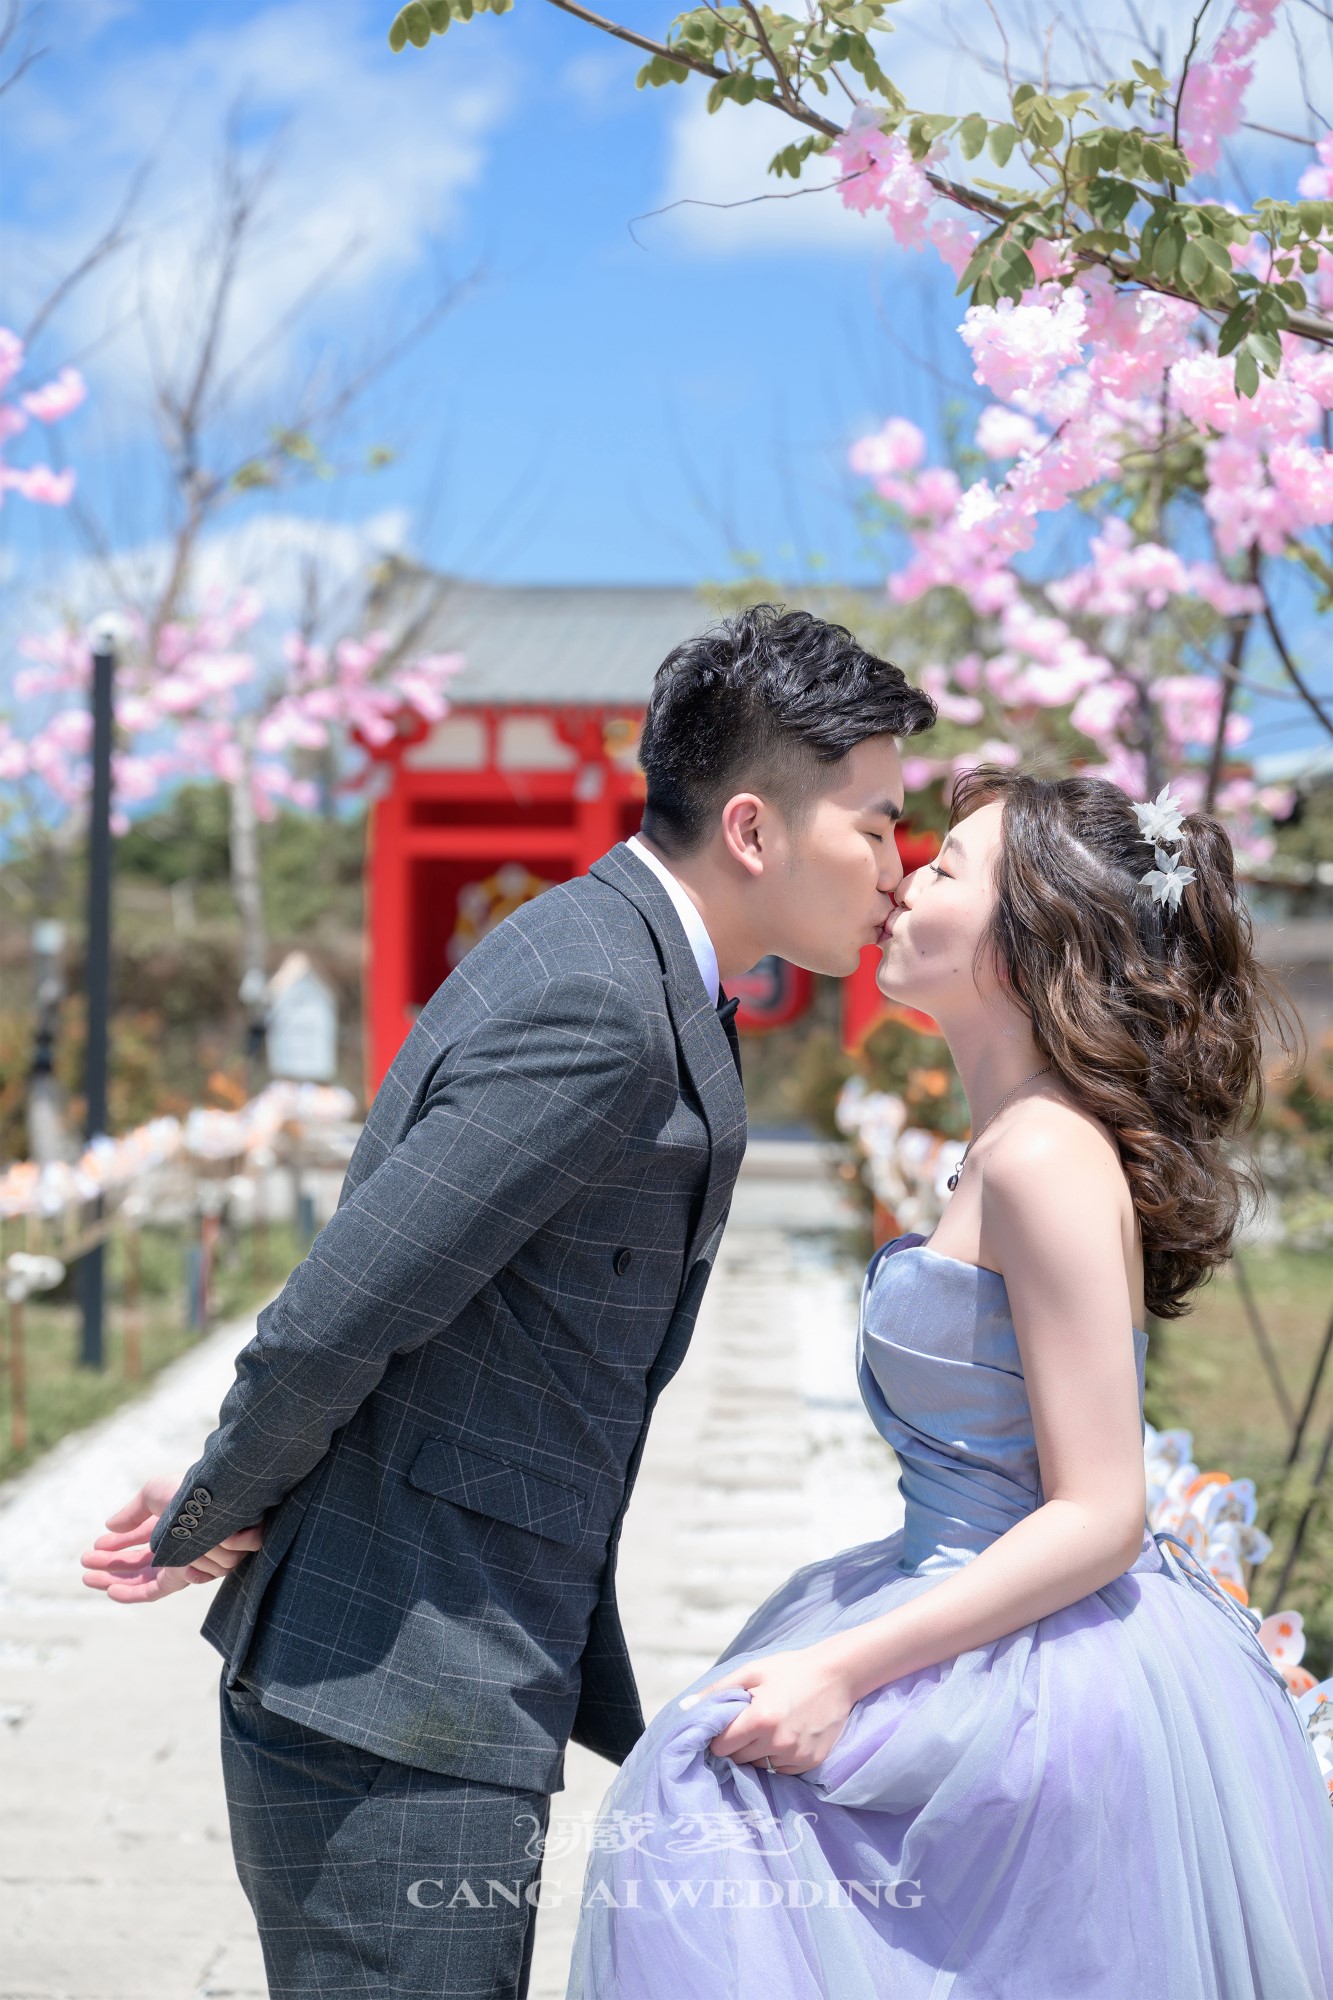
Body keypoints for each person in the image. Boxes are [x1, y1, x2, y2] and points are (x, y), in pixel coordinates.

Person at [78, 603, 936, 2000]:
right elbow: (342, 1307)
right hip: (391, 1694)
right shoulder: (600, 997)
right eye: (877, 825)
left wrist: (253, 1485)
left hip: (429, 1668)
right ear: (752, 829)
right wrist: (216, 1505)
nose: (900, 867)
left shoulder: (622, 960)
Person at [567, 767, 1333, 1999]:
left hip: (1041, 1655)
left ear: (1027, 942)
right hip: (966, 1590)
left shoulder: (1044, 1154)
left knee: (701, 1798)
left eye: (944, 868)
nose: (900, 880)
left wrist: (843, 1667)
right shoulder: (1013, 1138)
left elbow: (1101, 1509)